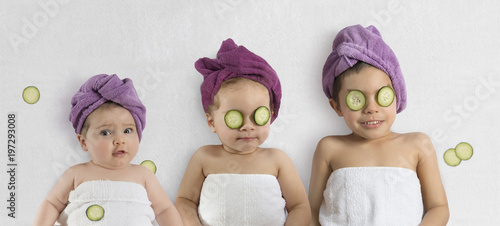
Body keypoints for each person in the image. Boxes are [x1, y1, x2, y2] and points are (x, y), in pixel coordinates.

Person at [309, 25, 449, 226]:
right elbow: (311, 210)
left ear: (397, 95)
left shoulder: (418, 144)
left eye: (382, 96)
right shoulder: (329, 148)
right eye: (356, 99)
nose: (371, 108)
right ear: (336, 106)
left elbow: (438, 207)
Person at [175, 39, 311, 226]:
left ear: (270, 116)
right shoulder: (203, 158)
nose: (248, 126)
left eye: (258, 116)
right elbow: (184, 201)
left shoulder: (278, 160)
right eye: (235, 117)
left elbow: (300, 206)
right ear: (211, 121)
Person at [33, 74, 183, 226]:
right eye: (106, 133)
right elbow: (51, 204)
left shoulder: (143, 176)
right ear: (83, 142)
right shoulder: (76, 174)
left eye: (128, 131)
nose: (120, 140)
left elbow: (164, 209)